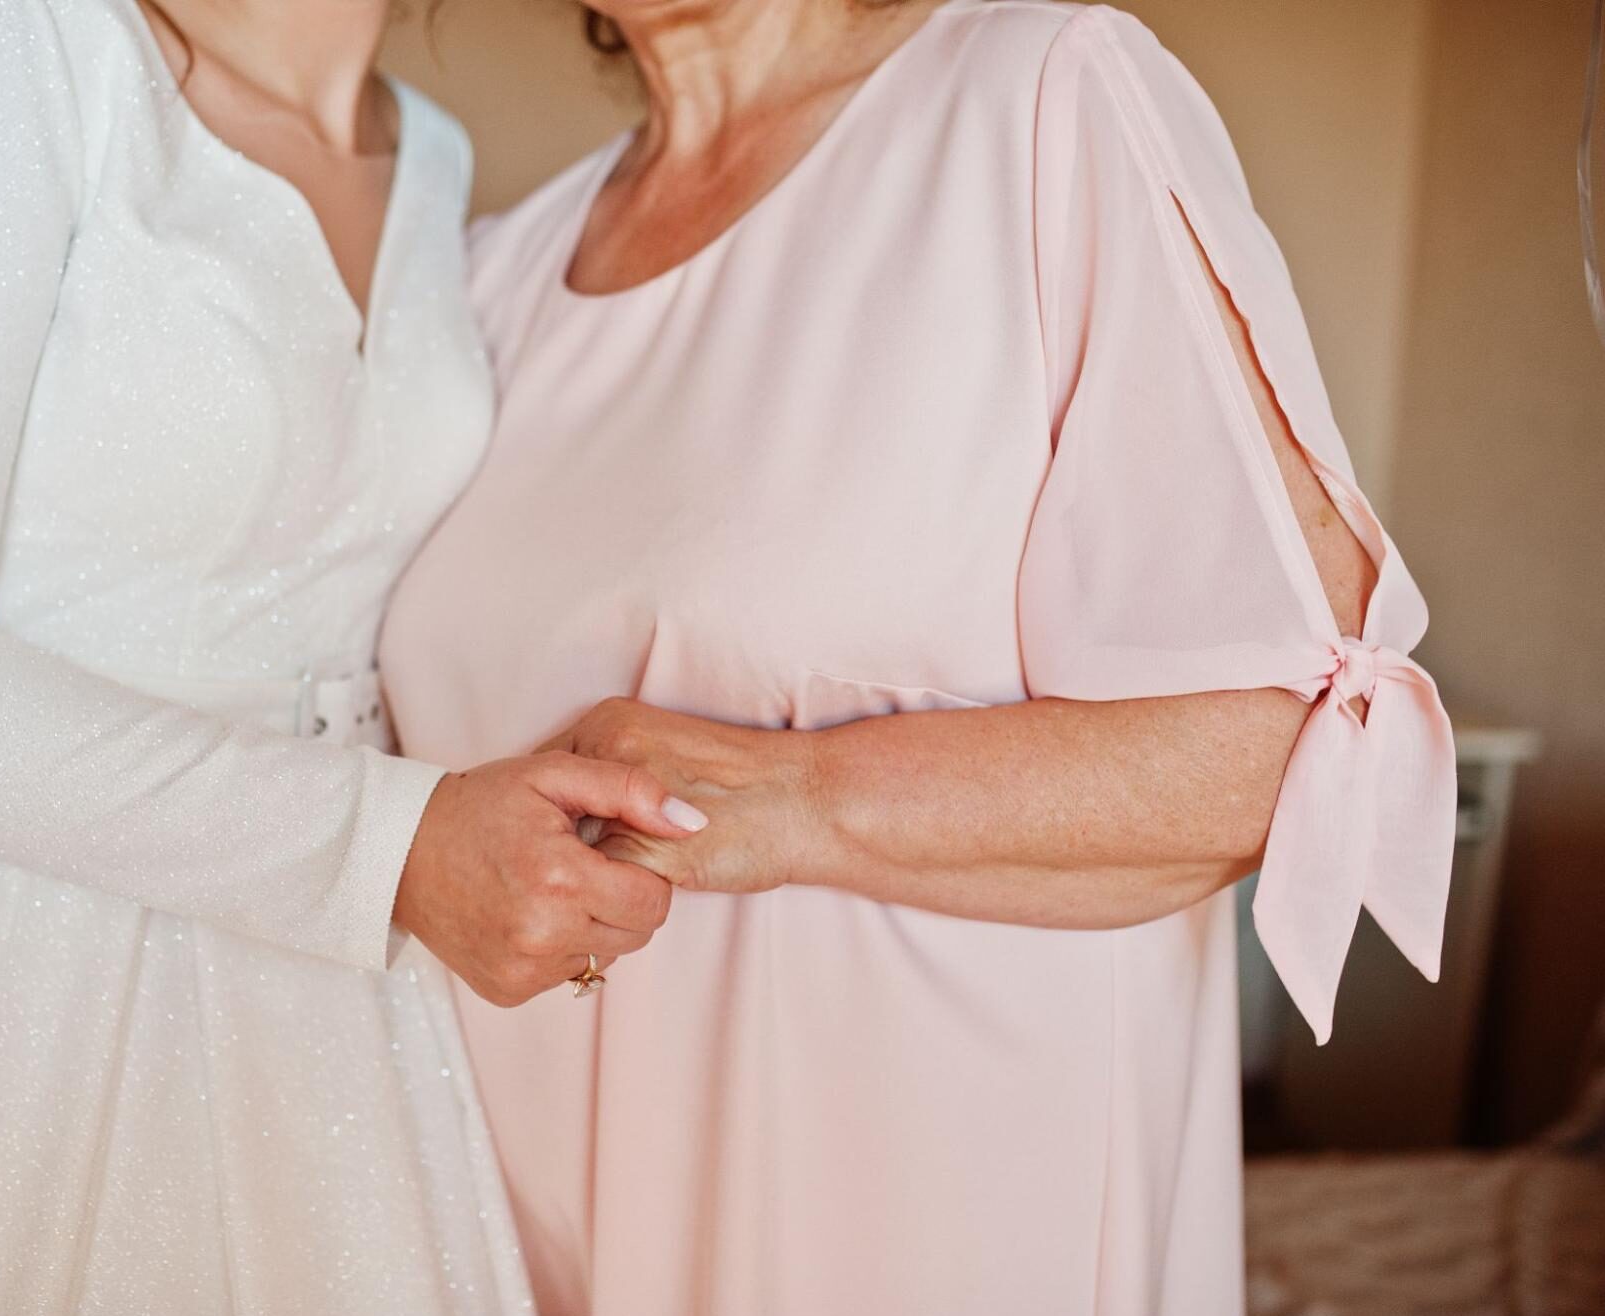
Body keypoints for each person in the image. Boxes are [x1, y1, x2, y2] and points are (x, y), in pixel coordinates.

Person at [0, 0, 700, 1309]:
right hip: (18, 976)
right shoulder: (11, 40)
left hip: (343, 1021)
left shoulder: (436, 158)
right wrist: (386, 848)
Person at [379, 0, 1456, 1311]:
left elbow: (1294, 741)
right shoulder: (492, 270)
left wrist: (792, 798)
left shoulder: (1040, 95)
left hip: (916, 1205)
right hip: (523, 1215)